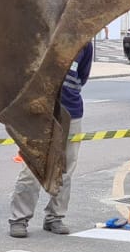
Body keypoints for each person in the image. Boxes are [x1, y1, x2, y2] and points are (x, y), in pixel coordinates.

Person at [9, 42, 94, 237]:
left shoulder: (85, 43)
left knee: (65, 169)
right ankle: (19, 219)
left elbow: (82, 76)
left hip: (71, 113)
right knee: (31, 168)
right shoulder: (45, 35)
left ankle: (55, 217)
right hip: (41, 112)